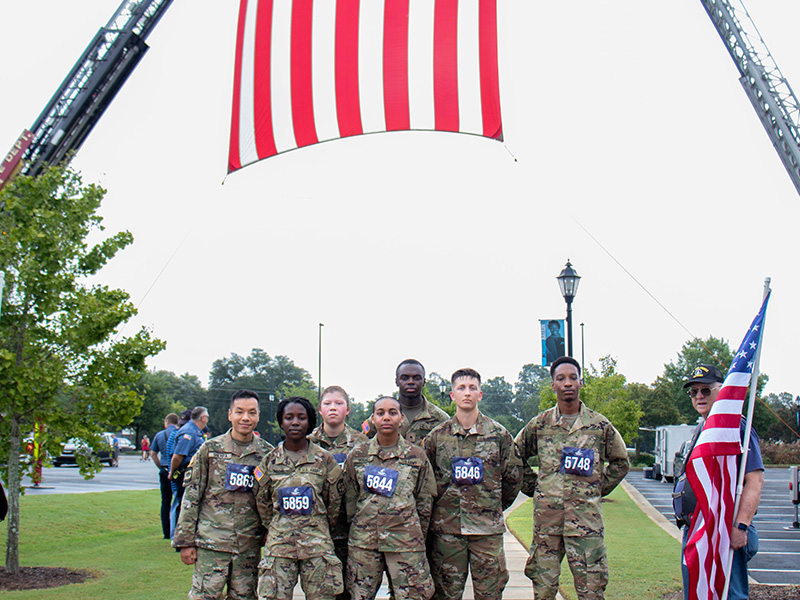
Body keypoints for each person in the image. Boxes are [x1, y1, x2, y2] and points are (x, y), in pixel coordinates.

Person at [514, 356, 629, 600]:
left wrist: (596, 488)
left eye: (573, 378)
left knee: (591, 592)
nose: (567, 383)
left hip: (586, 524)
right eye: (561, 378)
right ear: (552, 385)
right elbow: (514, 457)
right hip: (548, 524)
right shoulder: (540, 425)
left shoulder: (599, 426)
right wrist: (536, 487)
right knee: (543, 591)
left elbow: (620, 462)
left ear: (580, 382)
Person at [424, 368, 522, 600]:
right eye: (461, 388)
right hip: (447, 532)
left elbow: (513, 478)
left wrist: (492, 507)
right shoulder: (437, 437)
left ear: (480, 394)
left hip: (487, 532)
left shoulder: (498, 435)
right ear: (452, 395)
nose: (467, 393)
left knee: (490, 594)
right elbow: (425, 483)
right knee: (446, 594)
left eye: (472, 388)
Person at [173, 390, 273, 600]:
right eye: (240, 412)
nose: (245, 418)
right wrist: (186, 541)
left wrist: (268, 531)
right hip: (212, 544)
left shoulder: (266, 454)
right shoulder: (209, 450)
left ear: (258, 416)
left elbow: (270, 500)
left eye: (252, 413)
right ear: (230, 415)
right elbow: (191, 496)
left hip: (248, 546)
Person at [675, 364, 764, 600]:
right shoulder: (702, 428)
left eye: (706, 390)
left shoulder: (737, 427)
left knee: (730, 595)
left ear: (722, 391)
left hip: (725, 528)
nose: (699, 396)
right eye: (693, 392)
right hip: (697, 527)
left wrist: (741, 526)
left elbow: (754, 480)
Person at [344, 396, 437, 600]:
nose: (387, 417)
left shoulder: (416, 456)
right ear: (373, 419)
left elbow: (424, 502)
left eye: (392, 413)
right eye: (381, 413)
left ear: (401, 418)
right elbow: (350, 500)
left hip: (406, 542)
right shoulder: (357, 455)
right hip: (365, 543)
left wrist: (414, 534)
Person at [254, 396, 344, 600]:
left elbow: (334, 501)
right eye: (289, 417)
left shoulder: (324, 460)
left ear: (310, 422)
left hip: (317, 546)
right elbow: (262, 500)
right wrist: (275, 525)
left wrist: (318, 525)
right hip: (279, 547)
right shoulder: (269, 461)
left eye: (301, 417)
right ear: (281, 422)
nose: (295, 422)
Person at [308, 385, 368, 600]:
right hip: (319, 532)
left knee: (354, 591)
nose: (333, 408)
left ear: (348, 409)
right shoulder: (308, 444)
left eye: (339, 403)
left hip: (355, 531)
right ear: (320, 410)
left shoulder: (363, 445)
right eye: (327, 404)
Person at [364, 359, 449, 446]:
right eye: (405, 378)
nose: (410, 382)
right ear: (396, 381)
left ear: (424, 382)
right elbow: (363, 446)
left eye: (416, 378)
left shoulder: (441, 419)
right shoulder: (380, 417)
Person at [170, 407, 210, 538]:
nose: (208, 420)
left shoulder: (196, 431)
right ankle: (179, 538)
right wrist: (172, 472)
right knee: (183, 505)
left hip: (196, 474)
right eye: (207, 417)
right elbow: (177, 456)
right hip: (185, 474)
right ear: (202, 418)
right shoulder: (188, 432)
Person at [150, 412, 179, 539]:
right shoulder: (179, 434)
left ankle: (166, 532)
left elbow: (152, 453)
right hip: (177, 470)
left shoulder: (159, 435)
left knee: (165, 501)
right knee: (178, 500)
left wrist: (160, 466)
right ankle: (177, 529)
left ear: (167, 422)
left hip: (164, 468)